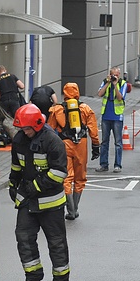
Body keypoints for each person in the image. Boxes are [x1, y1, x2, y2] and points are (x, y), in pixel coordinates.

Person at [8, 103, 70, 281]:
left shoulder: (53, 141)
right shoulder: (19, 140)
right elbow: (17, 165)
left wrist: (35, 186)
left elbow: (59, 173)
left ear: (36, 125)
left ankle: (60, 280)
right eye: (21, 128)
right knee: (24, 237)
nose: (23, 132)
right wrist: (12, 182)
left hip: (50, 202)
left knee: (56, 241)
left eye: (26, 128)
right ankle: (32, 278)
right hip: (28, 200)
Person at [47, 82, 100, 220]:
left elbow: (50, 130)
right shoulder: (85, 108)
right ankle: (75, 208)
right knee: (80, 177)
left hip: (64, 144)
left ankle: (70, 210)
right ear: (78, 92)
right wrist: (96, 146)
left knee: (66, 177)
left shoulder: (56, 109)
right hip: (81, 144)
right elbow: (93, 130)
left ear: (64, 93)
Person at [95, 66, 128, 173]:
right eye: (113, 75)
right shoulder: (105, 82)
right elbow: (99, 94)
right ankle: (103, 164)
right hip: (106, 116)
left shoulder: (123, 83)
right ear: (110, 75)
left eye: (117, 75)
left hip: (117, 116)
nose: (115, 77)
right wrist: (108, 83)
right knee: (104, 142)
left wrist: (115, 85)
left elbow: (119, 97)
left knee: (118, 142)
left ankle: (117, 165)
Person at [0, 65, 25, 135]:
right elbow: (22, 86)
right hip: (14, 99)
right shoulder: (12, 76)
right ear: (5, 70)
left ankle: (4, 136)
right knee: (17, 118)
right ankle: (19, 135)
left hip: (4, 101)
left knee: (4, 119)